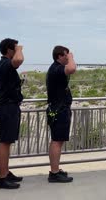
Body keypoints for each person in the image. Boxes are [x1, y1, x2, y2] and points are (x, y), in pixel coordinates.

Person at [0, 38, 24, 189]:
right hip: (7, 107)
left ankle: (6, 173)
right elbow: (19, 60)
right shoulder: (6, 63)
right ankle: (2, 178)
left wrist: (17, 49)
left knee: (7, 141)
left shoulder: (4, 64)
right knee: (5, 142)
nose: (18, 51)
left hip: (10, 107)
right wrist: (19, 49)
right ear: (9, 50)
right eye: (15, 48)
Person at [46, 45, 76, 183]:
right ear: (59, 56)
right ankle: (54, 172)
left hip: (59, 109)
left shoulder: (56, 69)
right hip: (59, 110)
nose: (67, 57)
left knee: (57, 140)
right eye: (65, 55)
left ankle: (55, 170)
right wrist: (71, 58)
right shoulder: (56, 69)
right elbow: (72, 69)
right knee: (57, 141)